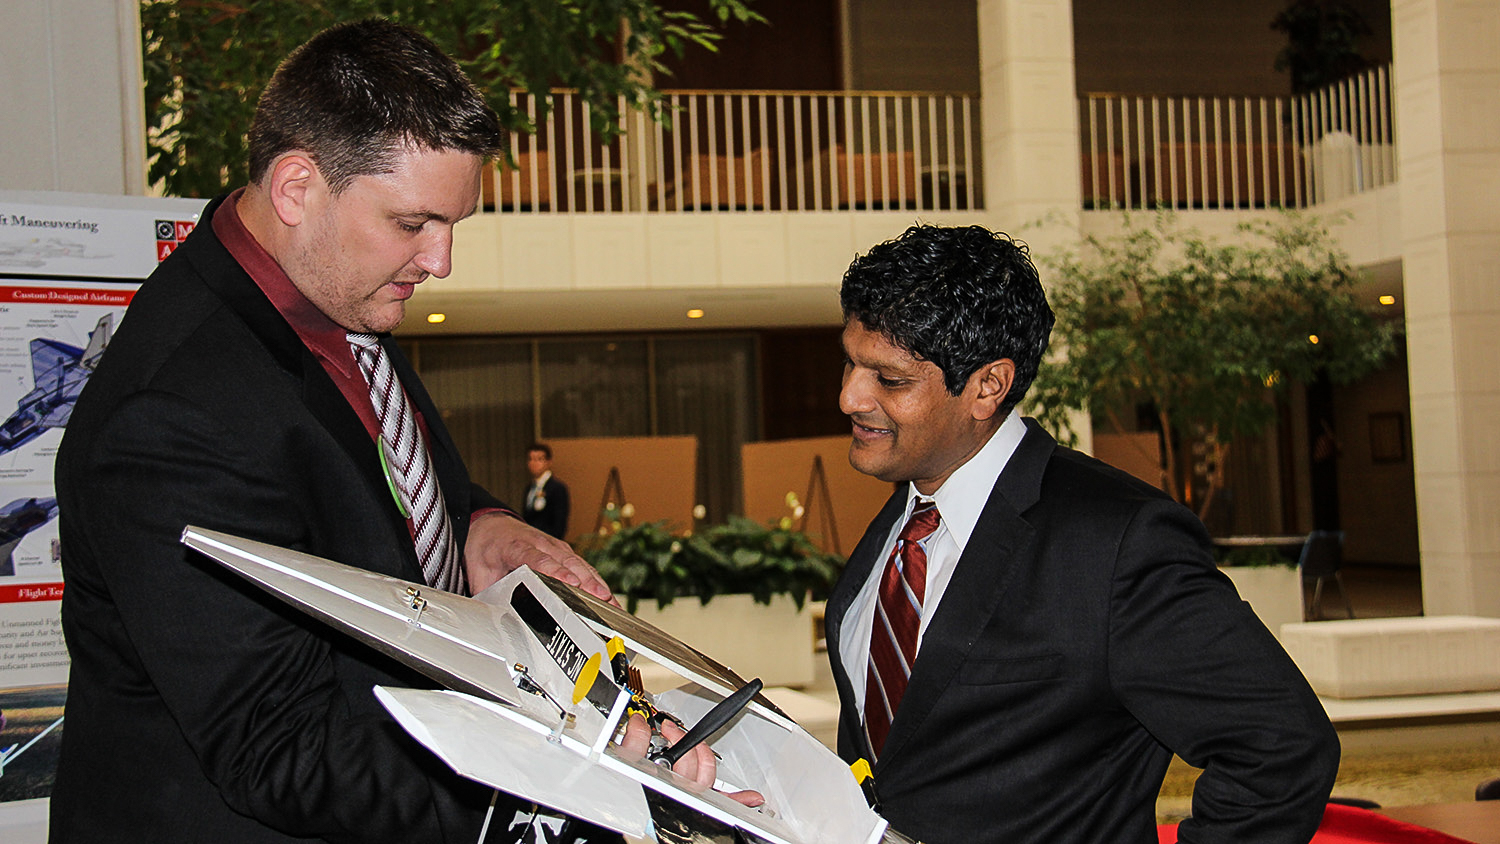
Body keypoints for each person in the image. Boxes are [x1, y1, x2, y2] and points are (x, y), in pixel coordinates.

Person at [50, 19, 738, 843]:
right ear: (297, 188)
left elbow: (367, 491)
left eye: (453, 225)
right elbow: (283, 749)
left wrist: (476, 521)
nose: (440, 261)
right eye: (414, 224)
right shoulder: (175, 413)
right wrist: (582, 770)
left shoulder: (333, 299)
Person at [825, 224, 1339, 844]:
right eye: (851, 362)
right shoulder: (903, 518)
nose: (849, 396)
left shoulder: (1120, 543)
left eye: (889, 379)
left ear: (988, 386)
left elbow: (1281, 750)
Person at [523, 442, 571, 540]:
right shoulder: (529, 487)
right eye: (531, 459)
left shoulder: (557, 488)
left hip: (548, 540)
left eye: (539, 459)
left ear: (549, 462)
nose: (534, 463)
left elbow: (560, 522)